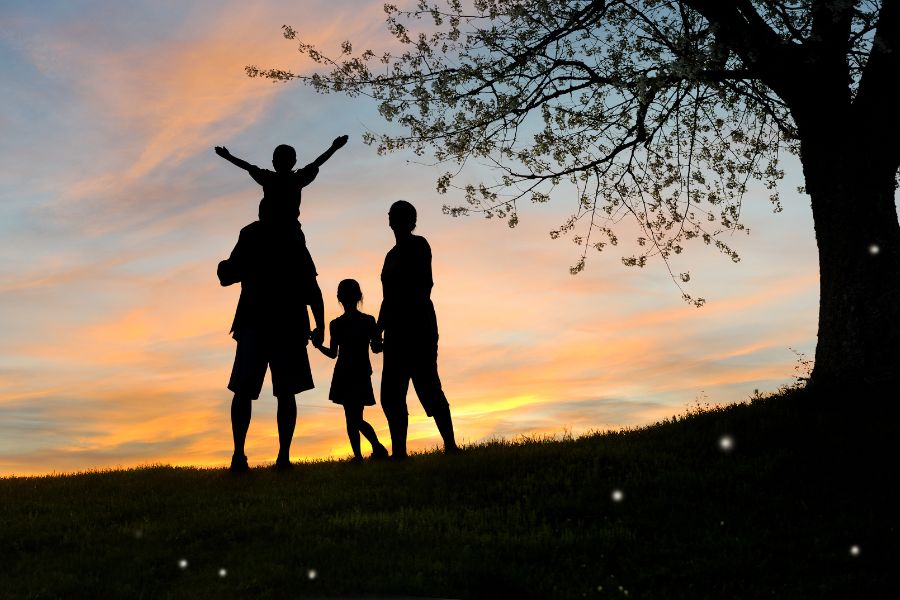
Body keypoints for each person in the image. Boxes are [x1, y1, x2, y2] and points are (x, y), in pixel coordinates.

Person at [217, 216, 326, 472]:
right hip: (284, 323)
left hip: (258, 322)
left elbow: (227, 275)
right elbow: (312, 287)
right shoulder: (292, 235)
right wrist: (320, 324)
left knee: (246, 391)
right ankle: (280, 457)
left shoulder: (254, 233)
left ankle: (242, 456)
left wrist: (224, 267)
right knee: (282, 393)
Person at [377, 200, 460, 459]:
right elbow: (386, 297)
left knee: (427, 384)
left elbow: (424, 285)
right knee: (391, 394)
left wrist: (403, 314)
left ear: (409, 221)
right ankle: (399, 452)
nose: (394, 221)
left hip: (418, 324)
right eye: (392, 216)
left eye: (399, 216)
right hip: (394, 330)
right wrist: (379, 329)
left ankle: (450, 445)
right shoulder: (390, 255)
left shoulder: (419, 245)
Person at [313, 279, 390, 462]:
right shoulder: (368, 321)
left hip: (345, 373)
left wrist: (317, 346)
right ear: (359, 297)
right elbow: (377, 347)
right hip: (360, 371)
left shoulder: (336, 324)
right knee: (355, 417)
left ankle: (369, 451)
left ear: (339, 298)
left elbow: (332, 354)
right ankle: (370, 451)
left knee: (352, 418)